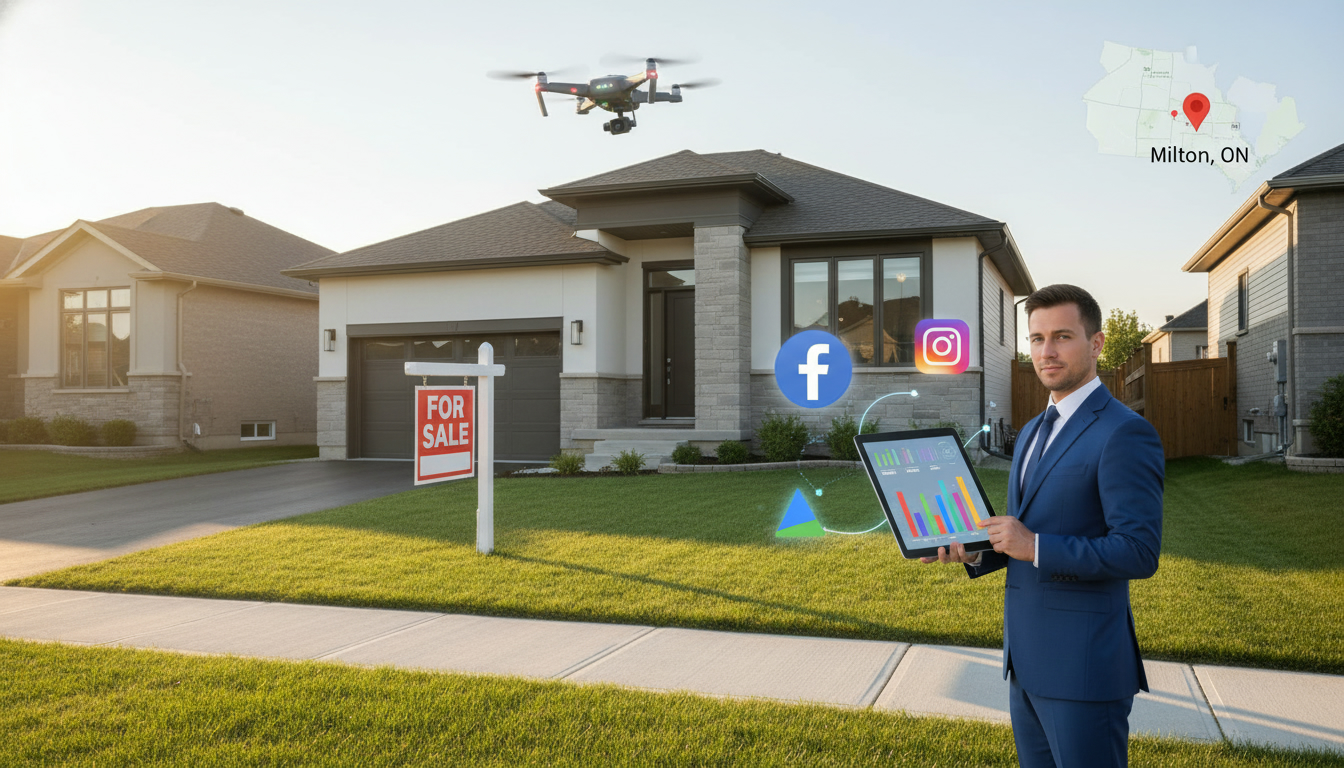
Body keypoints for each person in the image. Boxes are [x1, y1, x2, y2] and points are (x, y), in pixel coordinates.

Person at [921, 284, 1164, 768]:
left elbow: (1138, 551)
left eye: (1061, 336)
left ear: (1095, 344)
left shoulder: (1124, 432)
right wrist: (974, 551)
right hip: (1025, 662)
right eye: (1035, 339)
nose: (1046, 351)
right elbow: (1021, 532)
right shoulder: (1032, 429)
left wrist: (1036, 547)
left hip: (1083, 668)